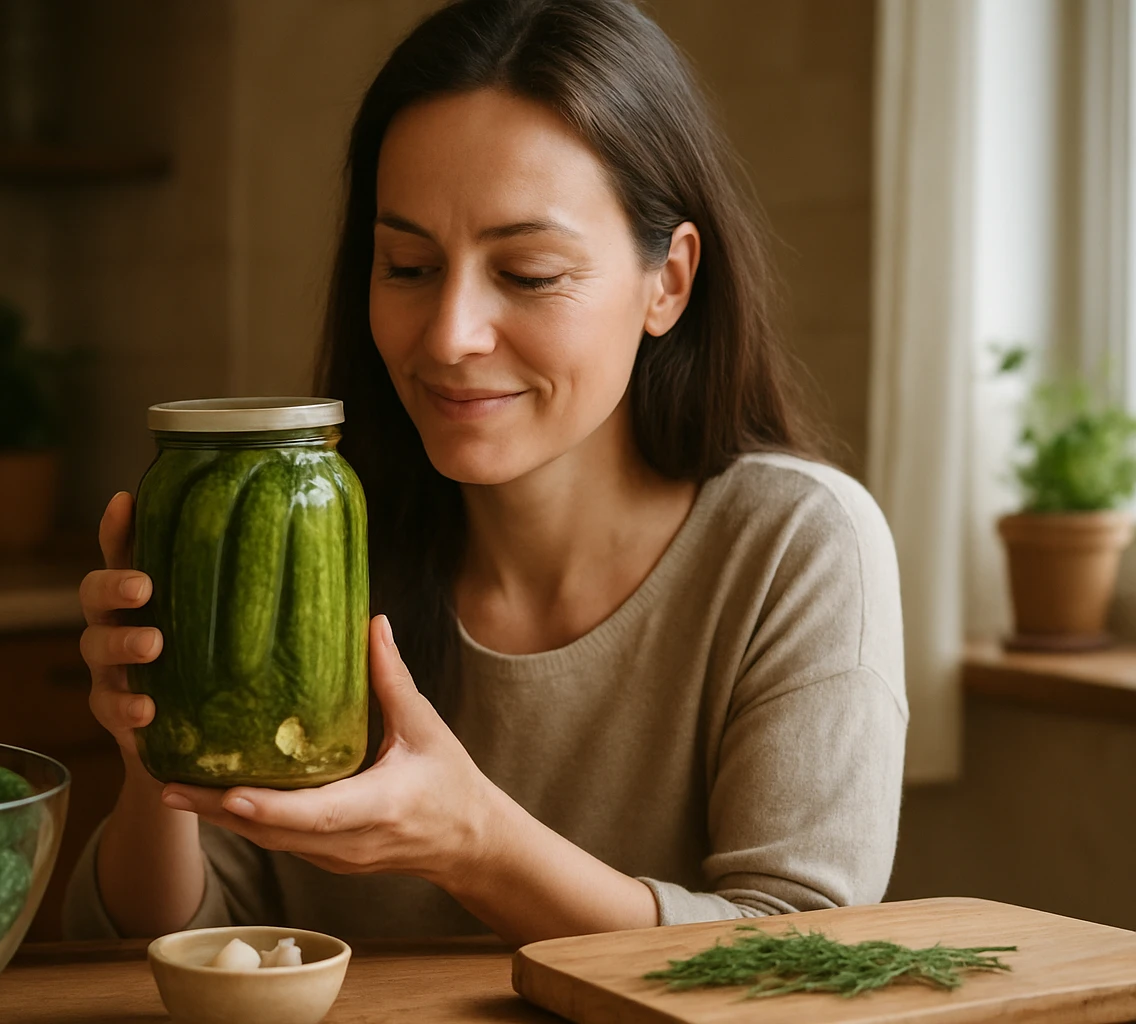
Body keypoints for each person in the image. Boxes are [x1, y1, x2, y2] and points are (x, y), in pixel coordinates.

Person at [65, 0, 905, 945]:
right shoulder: (316, 529)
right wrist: (150, 748)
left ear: (667, 281)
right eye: (409, 265)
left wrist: (473, 843)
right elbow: (155, 949)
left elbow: (800, 961)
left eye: (530, 271)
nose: (451, 336)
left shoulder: (796, 547)